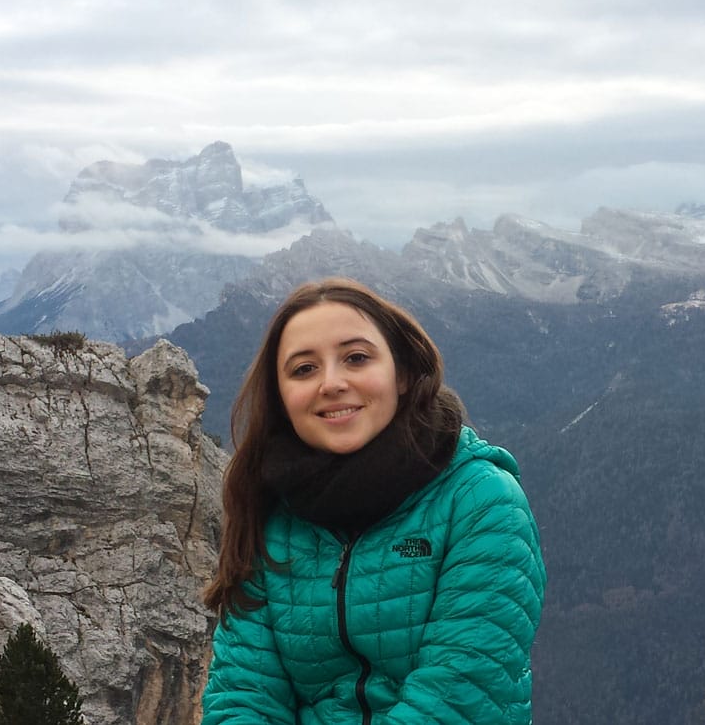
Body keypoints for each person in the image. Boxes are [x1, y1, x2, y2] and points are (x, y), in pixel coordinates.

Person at [201, 278, 545, 724]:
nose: (332, 383)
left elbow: (459, 700)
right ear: (281, 398)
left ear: (401, 373)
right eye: (303, 369)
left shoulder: (481, 501)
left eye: (356, 358)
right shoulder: (272, 514)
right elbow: (242, 697)